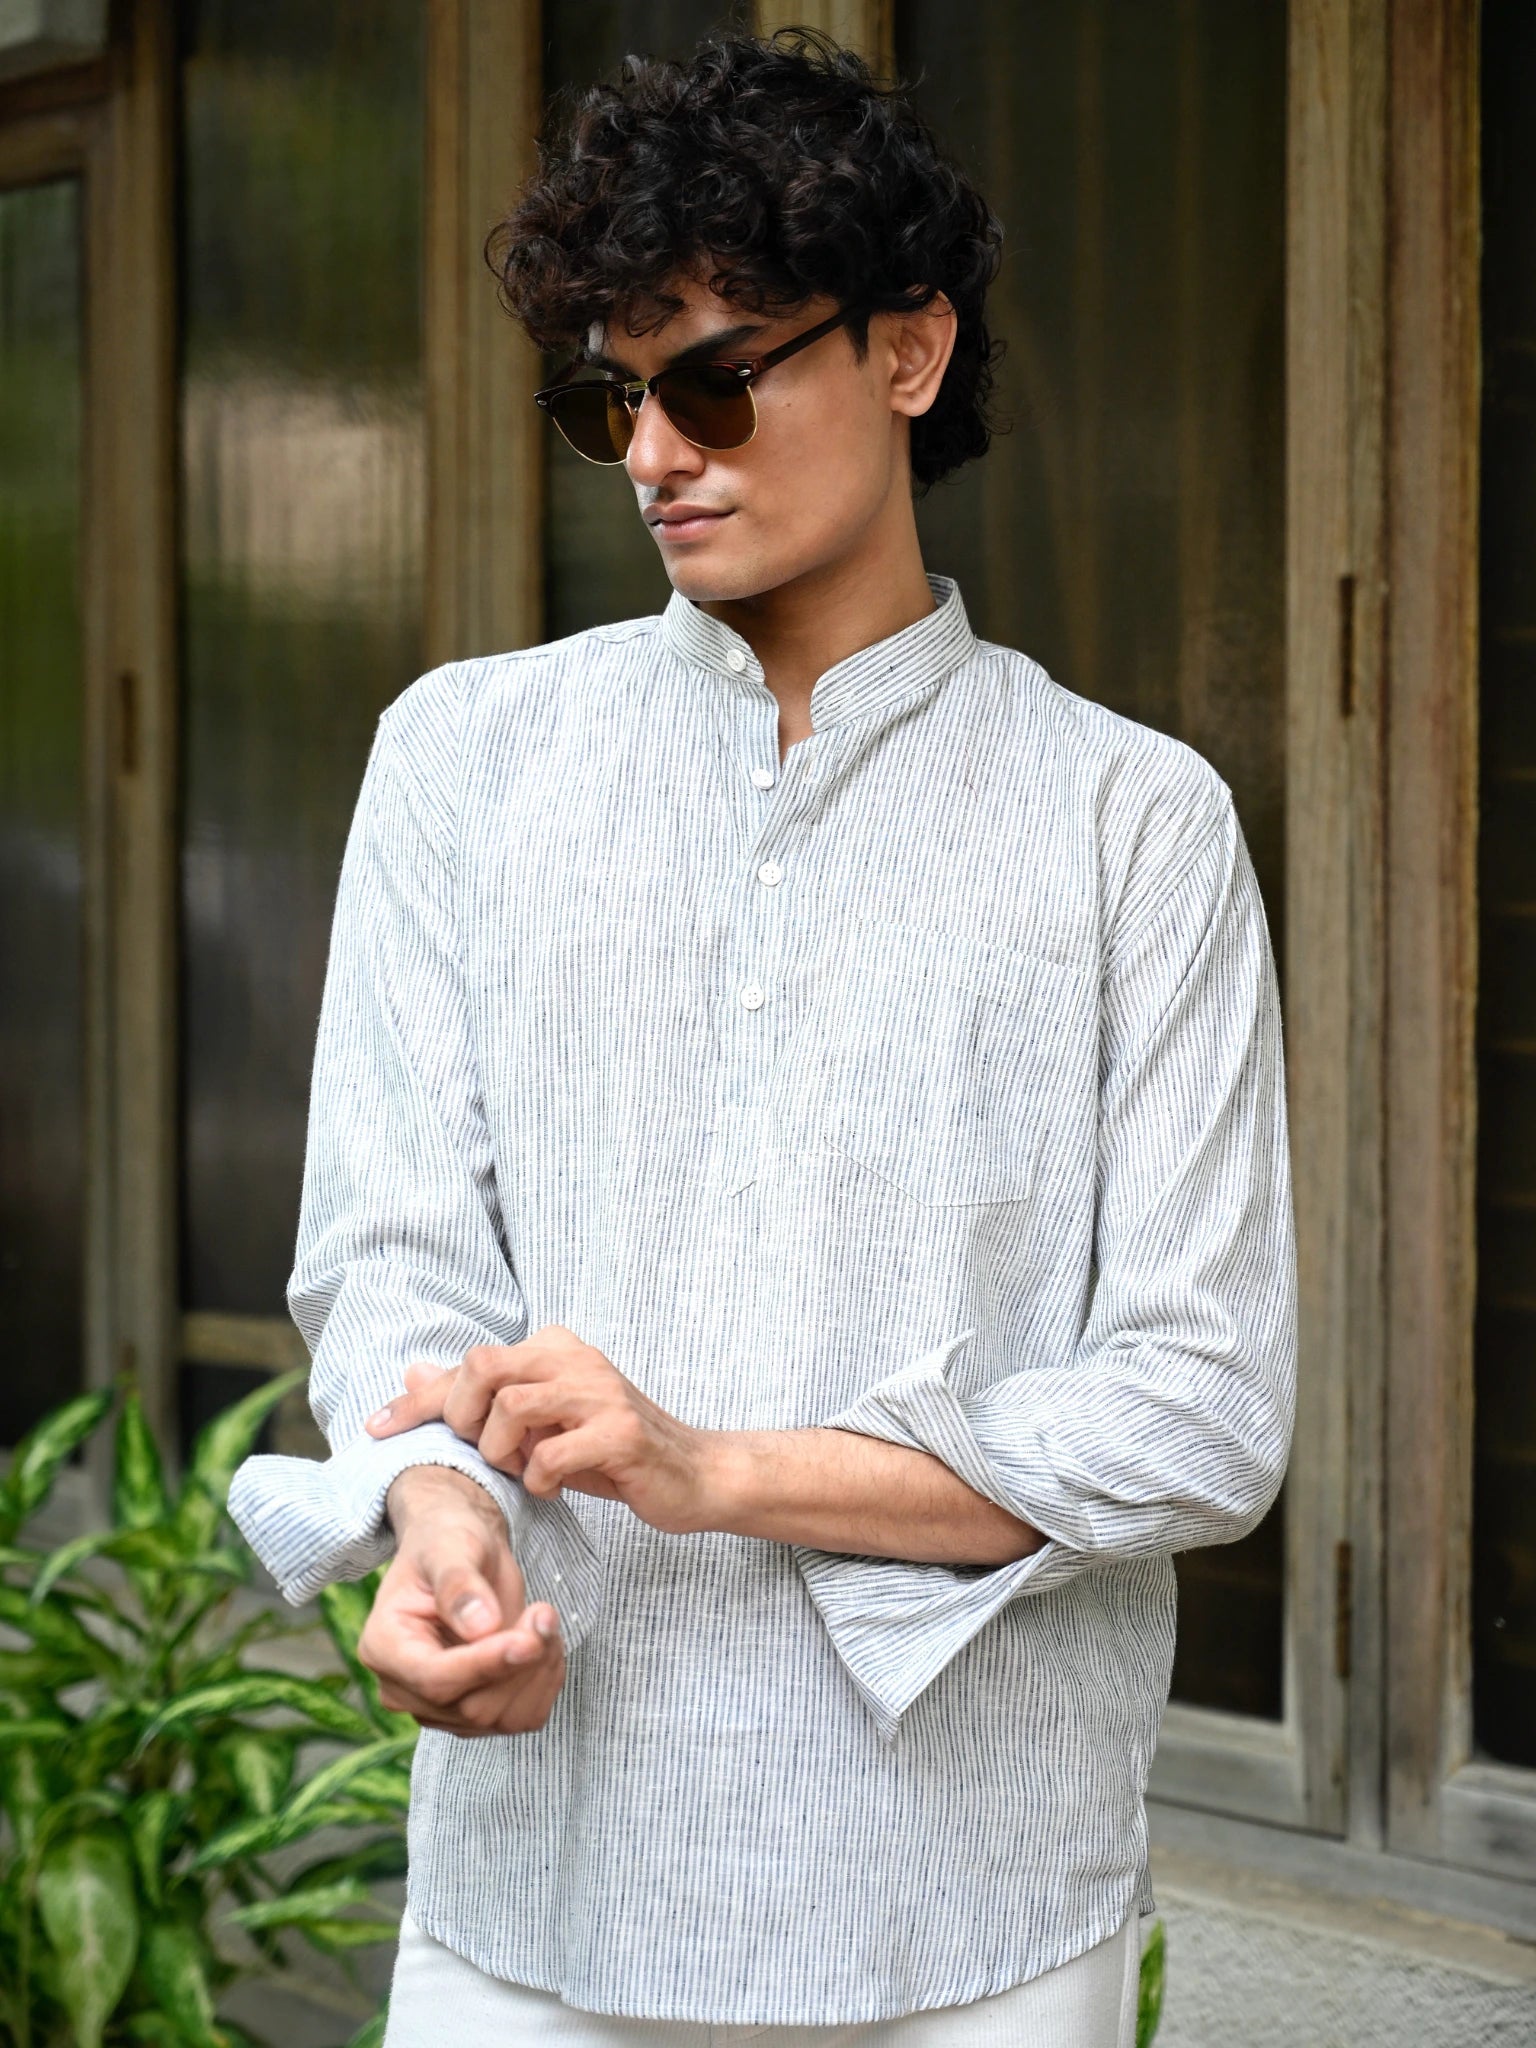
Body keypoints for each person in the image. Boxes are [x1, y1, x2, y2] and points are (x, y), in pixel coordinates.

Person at [231, 29, 1296, 2047]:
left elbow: (1199, 1405)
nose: (655, 452)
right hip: (536, 1865)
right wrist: (442, 1527)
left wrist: (713, 1465)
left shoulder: (1126, 819)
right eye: (610, 398)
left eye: (716, 379)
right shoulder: (466, 759)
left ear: (910, 352)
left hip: (973, 1896)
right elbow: (394, 1263)